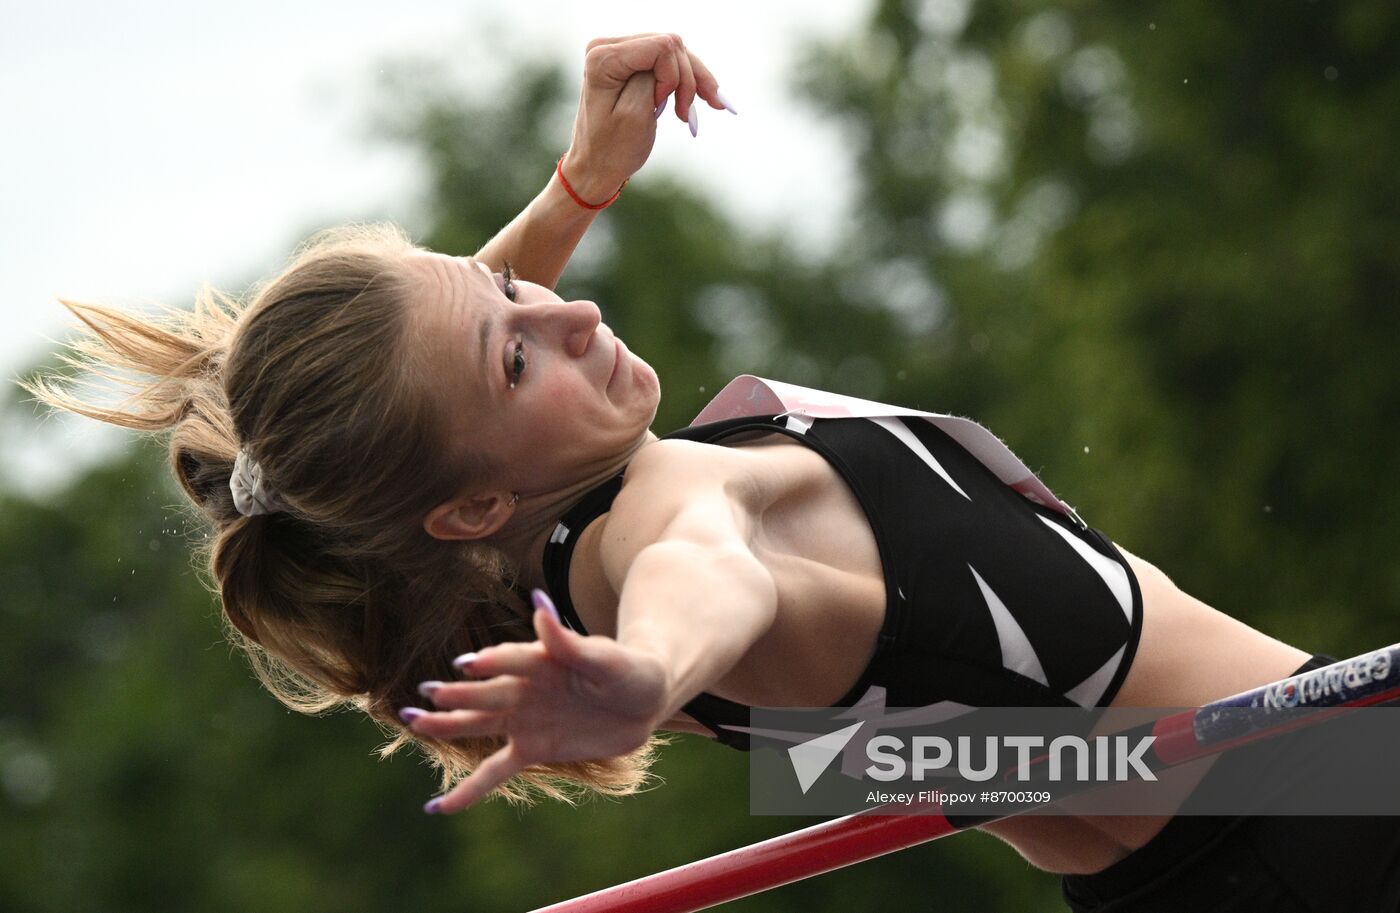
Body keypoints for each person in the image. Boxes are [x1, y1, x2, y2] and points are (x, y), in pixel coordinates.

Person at [20, 33, 1400, 913]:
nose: (565, 313)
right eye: (519, 356)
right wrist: (648, 677)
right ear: (471, 499)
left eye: (517, 286)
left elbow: (443, 360)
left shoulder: (511, 559)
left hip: (1194, 864)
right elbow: (707, 571)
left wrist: (574, 190)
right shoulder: (661, 527)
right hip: (1333, 799)